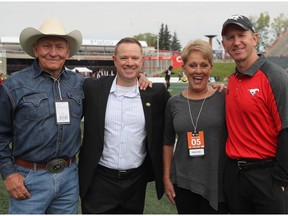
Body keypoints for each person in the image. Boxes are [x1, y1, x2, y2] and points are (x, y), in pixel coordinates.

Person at [0, 19, 152, 214]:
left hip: (69, 178)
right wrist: (9, 173)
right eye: (46, 46)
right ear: (36, 50)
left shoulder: (81, 84)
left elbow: (116, 82)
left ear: (68, 52)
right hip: (29, 177)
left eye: (59, 47)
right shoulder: (14, 85)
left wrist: (137, 77)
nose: (53, 52)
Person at [78, 37, 170, 214]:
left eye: (135, 58)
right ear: (114, 60)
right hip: (99, 180)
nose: (130, 63)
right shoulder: (92, 88)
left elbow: (184, 106)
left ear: (142, 60)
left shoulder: (156, 93)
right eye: (124, 58)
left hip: (135, 182)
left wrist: (214, 89)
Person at [221, 14, 288, 213]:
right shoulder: (232, 80)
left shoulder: (274, 76)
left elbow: (286, 129)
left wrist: (281, 179)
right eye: (230, 37)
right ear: (224, 44)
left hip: (266, 177)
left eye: (241, 35)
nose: (236, 42)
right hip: (235, 176)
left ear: (255, 38)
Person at [163, 39, 228, 214]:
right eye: (192, 65)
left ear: (211, 68)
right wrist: (166, 177)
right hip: (184, 182)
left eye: (203, 65)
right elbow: (167, 142)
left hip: (217, 181)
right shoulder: (174, 103)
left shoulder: (224, 98)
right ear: (184, 68)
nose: (198, 71)